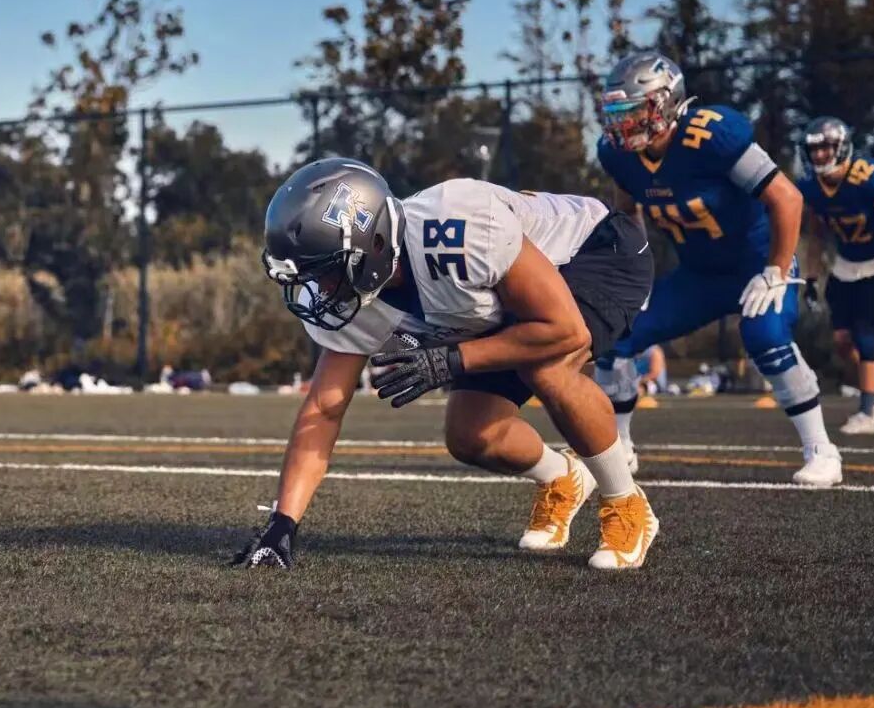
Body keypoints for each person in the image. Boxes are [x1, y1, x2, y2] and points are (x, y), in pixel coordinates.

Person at [234, 158, 658, 571]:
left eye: (324, 271)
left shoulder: (456, 226)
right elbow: (323, 409)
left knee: (546, 368)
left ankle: (626, 502)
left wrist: (452, 360)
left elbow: (564, 331)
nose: (320, 289)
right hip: (506, 303)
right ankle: (563, 477)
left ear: (373, 243)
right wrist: (282, 524)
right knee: (471, 436)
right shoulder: (357, 296)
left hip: (595, 252)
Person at [592, 52, 842, 488]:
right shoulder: (619, 156)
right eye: (618, 114)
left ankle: (822, 449)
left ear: (666, 102)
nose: (624, 124)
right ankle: (619, 448)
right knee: (616, 337)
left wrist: (776, 270)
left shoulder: (712, 136)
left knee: (765, 336)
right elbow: (627, 213)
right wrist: (634, 273)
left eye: (633, 111)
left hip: (757, 267)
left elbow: (787, 198)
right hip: (698, 276)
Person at [799, 116, 874, 435]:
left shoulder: (868, 177)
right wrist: (811, 278)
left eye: (826, 148)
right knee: (842, 341)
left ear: (842, 147)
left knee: (865, 335)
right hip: (846, 266)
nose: (820, 155)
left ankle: (868, 409)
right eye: (814, 149)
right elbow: (816, 236)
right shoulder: (812, 187)